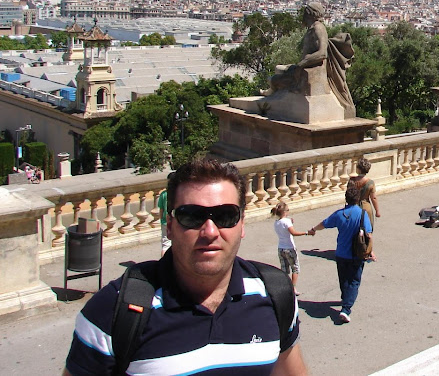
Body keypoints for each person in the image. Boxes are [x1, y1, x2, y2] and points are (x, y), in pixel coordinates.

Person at [63, 158, 307, 375]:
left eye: (225, 216)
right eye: (192, 216)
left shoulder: (275, 295)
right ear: (170, 226)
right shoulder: (111, 311)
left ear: (242, 224)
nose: (210, 231)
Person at [309, 182, 373, 323]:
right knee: (354, 281)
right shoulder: (362, 214)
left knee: (344, 280)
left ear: (346, 199)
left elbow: (324, 223)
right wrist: (370, 251)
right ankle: (346, 308)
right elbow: (368, 234)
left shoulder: (339, 214)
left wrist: (313, 229)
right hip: (356, 254)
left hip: (341, 253)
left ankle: (346, 299)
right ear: (357, 199)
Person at [270, 201, 312, 296]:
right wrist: (306, 233)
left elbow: (284, 227)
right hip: (289, 247)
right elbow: (293, 232)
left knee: (284, 270)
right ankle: (293, 288)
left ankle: (285, 287)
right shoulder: (287, 221)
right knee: (295, 268)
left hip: (281, 248)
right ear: (285, 212)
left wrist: (290, 222)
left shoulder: (276, 223)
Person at [350, 157, 380, 262]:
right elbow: (373, 198)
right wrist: (377, 211)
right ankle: (369, 251)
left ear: (358, 168)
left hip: (354, 206)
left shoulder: (352, 180)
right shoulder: (370, 182)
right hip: (366, 207)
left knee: (354, 228)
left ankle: (354, 249)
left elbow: (348, 194)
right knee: (368, 229)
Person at [156, 188, 170, 256]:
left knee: (165, 245)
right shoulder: (176, 193)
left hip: (165, 222)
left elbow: (161, 209)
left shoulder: (163, 194)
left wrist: (161, 220)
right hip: (174, 221)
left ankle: (163, 260)